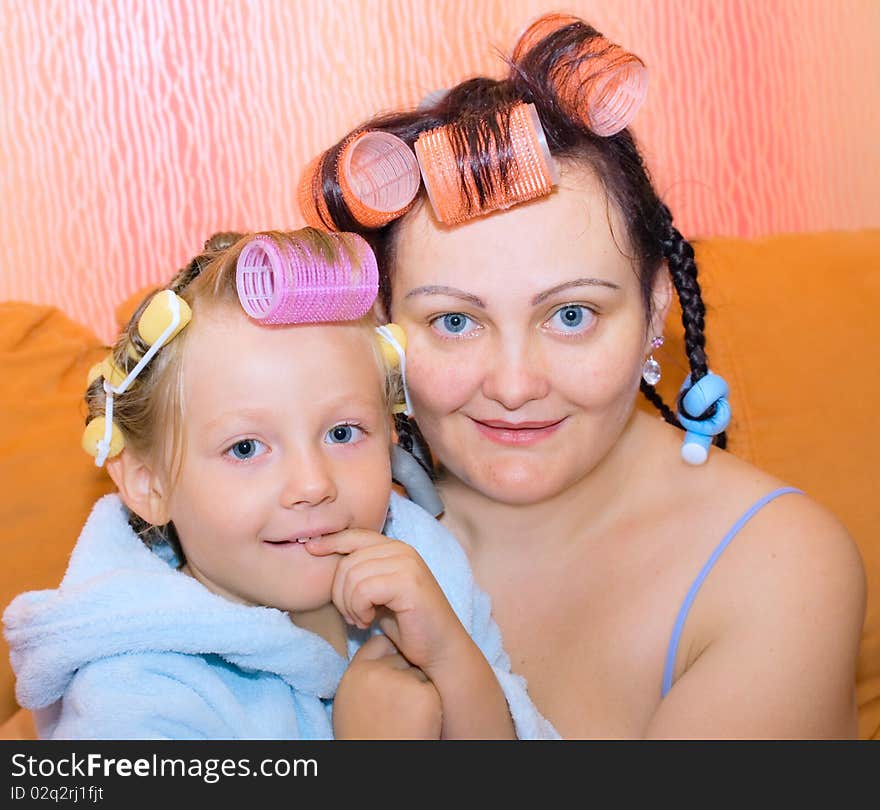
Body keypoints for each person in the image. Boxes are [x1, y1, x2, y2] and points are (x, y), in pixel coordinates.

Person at [297, 13, 866, 739]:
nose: (513, 384)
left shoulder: (779, 570)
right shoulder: (313, 518)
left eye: (570, 316)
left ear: (655, 306)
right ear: (382, 329)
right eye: (454, 322)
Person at [2, 228, 555, 740]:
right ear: (149, 484)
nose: (313, 485)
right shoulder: (135, 697)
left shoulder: (420, 571)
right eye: (246, 448)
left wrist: (452, 661)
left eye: (343, 433)